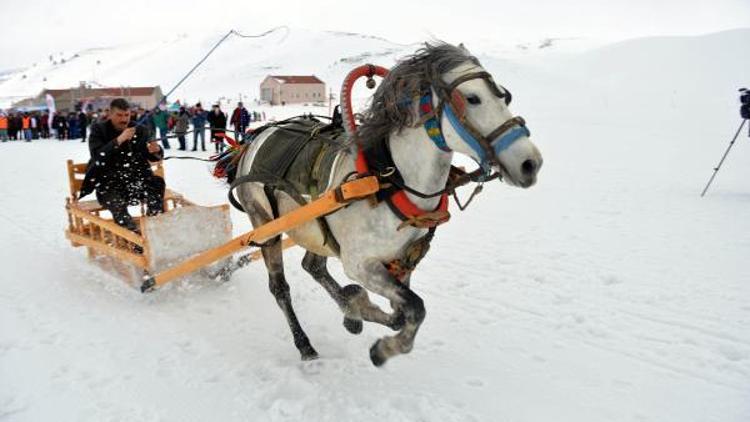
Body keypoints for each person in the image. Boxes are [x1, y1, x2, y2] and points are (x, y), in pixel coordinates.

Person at [78, 98, 165, 234]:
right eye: (119, 115)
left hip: (136, 182)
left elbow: (152, 156)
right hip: (110, 185)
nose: (124, 119)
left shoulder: (140, 129)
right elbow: (97, 156)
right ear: (110, 114)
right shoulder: (99, 129)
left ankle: (154, 226)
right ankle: (132, 235)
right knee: (115, 200)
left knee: (157, 183)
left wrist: (156, 151)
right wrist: (119, 140)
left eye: (127, 115)